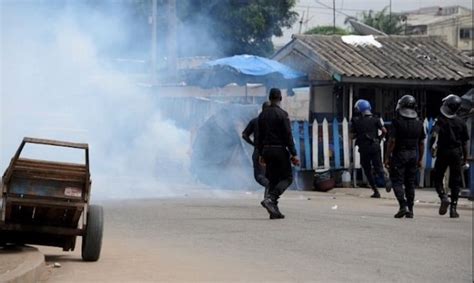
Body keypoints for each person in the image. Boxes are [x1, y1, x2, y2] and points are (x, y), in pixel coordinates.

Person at [256, 88, 299, 219]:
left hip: (267, 150)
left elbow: (259, 137)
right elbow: (288, 135)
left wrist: (261, 154)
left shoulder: (262, 115)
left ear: (269, 98)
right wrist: (293, 153)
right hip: (279, 149)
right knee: (287, 178)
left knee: (273, 180)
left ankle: (274, 211)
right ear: (280, 98)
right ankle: (271, 198)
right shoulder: (282, 114)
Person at [384, 95, 425, 218]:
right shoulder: (419, 123)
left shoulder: (396, 122)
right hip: (413, 155)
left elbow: (392, 141)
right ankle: (410, 210)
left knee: (397, 181)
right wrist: (420, 159)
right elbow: (421, 143)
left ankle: (403, 205)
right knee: (410, 183)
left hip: (399, 155)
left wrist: (386, 157)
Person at [430, 94, 469, 218]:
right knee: (455, 182)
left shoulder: (440, 119)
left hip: (443, 152)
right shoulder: (461, 122)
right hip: (456, 153)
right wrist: (465, 158)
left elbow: (434, 135)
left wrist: (432, 147)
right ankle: (453, 209)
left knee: (437, 177)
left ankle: (443, 196)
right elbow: (464, 143)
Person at [351, 99, 389, 198]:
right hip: (375, 146)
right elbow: (385, 130)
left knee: (367, 170)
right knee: (379, 167)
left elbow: (352, 135)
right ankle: (386, 179)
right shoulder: (376, 119)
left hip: (364, 148)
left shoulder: (356, 120)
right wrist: (379, 139)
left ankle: (375, 190)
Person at [242, 101, 271, 194]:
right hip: (273, 152)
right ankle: (269, 197)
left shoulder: (255, 121)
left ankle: (269, 186)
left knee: (259, 176)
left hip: (260, 151)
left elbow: (244, 135)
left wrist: (253, 144)